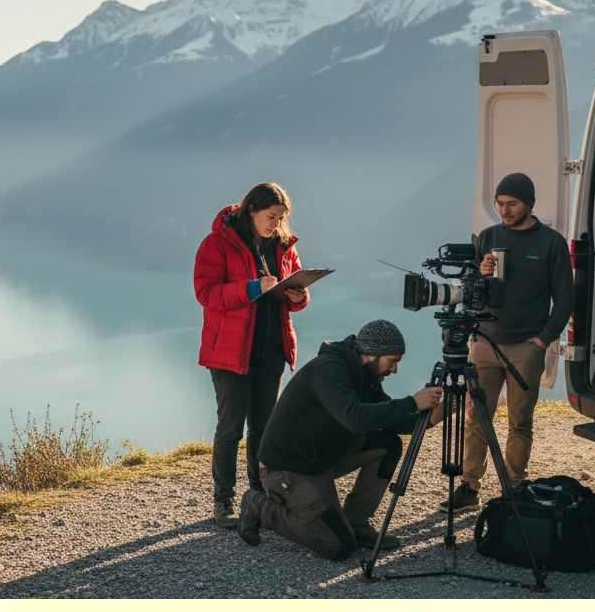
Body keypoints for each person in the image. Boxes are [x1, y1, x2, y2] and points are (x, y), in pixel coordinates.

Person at [237, 320, 443, 559]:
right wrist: (411, 402)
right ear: (372, 354)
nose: (395, 369)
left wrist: (439, 413)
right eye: (392, 361)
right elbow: (354, 418)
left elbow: (394, 422)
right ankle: (259, 506)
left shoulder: (366, 376)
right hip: (287, 470)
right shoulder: (329, 370)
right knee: (338, 546)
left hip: (320, 458)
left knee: (387, 444)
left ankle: (356, 523)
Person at [438, 172, 573, 513]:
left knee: (520, 421)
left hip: (525, 347)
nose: (504, 210)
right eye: (499, 204)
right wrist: (479, 273)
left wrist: (543, 340)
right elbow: (469, 290)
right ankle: (469, 488)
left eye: (511, 204)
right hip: (484, 341)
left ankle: (515, 487)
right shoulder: (488, 236)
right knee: (476, 416)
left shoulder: (551, 243)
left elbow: (566, 299)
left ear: (529, 203)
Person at [193, 182, 310, 528]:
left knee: (264, 427)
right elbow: (207, 294)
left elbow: (298, 295)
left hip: (272, 348)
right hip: (229, 352)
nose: (275, 223)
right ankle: (223, 500)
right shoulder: (217, 243)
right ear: (252, 210)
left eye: (280, 218)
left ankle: (258, 495)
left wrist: (298, 296)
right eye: (270, 216)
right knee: (231, 428)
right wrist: (252, 288)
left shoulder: (284, 245)